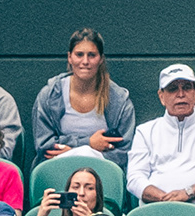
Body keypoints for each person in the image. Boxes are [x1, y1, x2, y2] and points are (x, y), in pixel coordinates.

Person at [128, 63, 195, 212]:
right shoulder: (145, 131)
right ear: (161, 96)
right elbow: (134, 178)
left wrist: (188, 193)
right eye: (172, 89)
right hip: (156, 210)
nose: (181, 94)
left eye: (187, 87)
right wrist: (164, 199)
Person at [33, 28, 136, 168]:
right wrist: (88, 144)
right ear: (69, 57)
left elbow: (123, 153)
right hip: (58, 170)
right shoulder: (49, 96)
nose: (85, 61)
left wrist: (73, 152)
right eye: (79, 54)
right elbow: (44, 145)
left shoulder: (119, 101)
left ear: (101, 59)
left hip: (102, 173)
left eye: (92, 55)